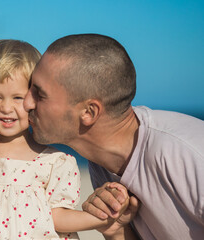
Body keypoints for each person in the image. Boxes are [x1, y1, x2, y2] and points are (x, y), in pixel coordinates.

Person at [24, 33, 204, 239]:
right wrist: (117, 231)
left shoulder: (187, 155)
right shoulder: (101, 163)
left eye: (40, 94)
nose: (27, 103)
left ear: (89, 112)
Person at [0, 39, 128, 240]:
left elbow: (58, 217)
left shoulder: (54, 162)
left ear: (35, 98)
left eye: (18, 98)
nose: (7, 108)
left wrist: (102, 219)